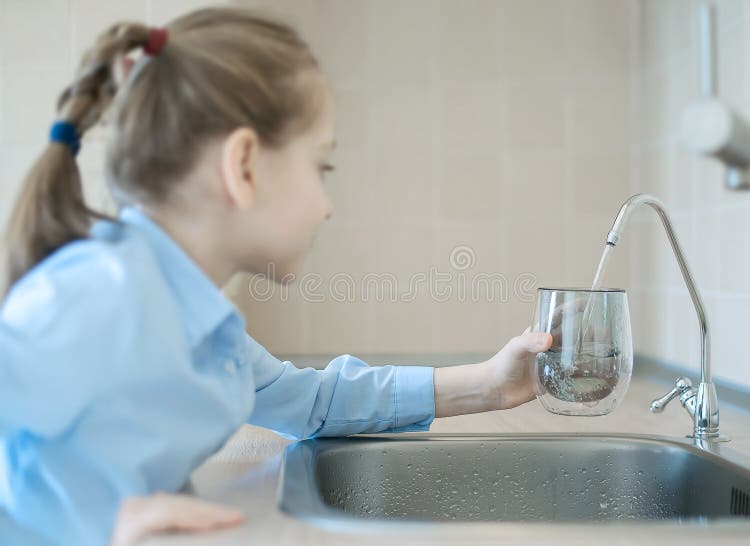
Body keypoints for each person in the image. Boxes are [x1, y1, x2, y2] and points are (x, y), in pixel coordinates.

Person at [0, 7, 552, 545]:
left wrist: (490, 384)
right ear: (243, 167)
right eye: (321, 167)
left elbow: (311, 403)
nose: (327, 206)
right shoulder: (104, 292)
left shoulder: (203, 327)